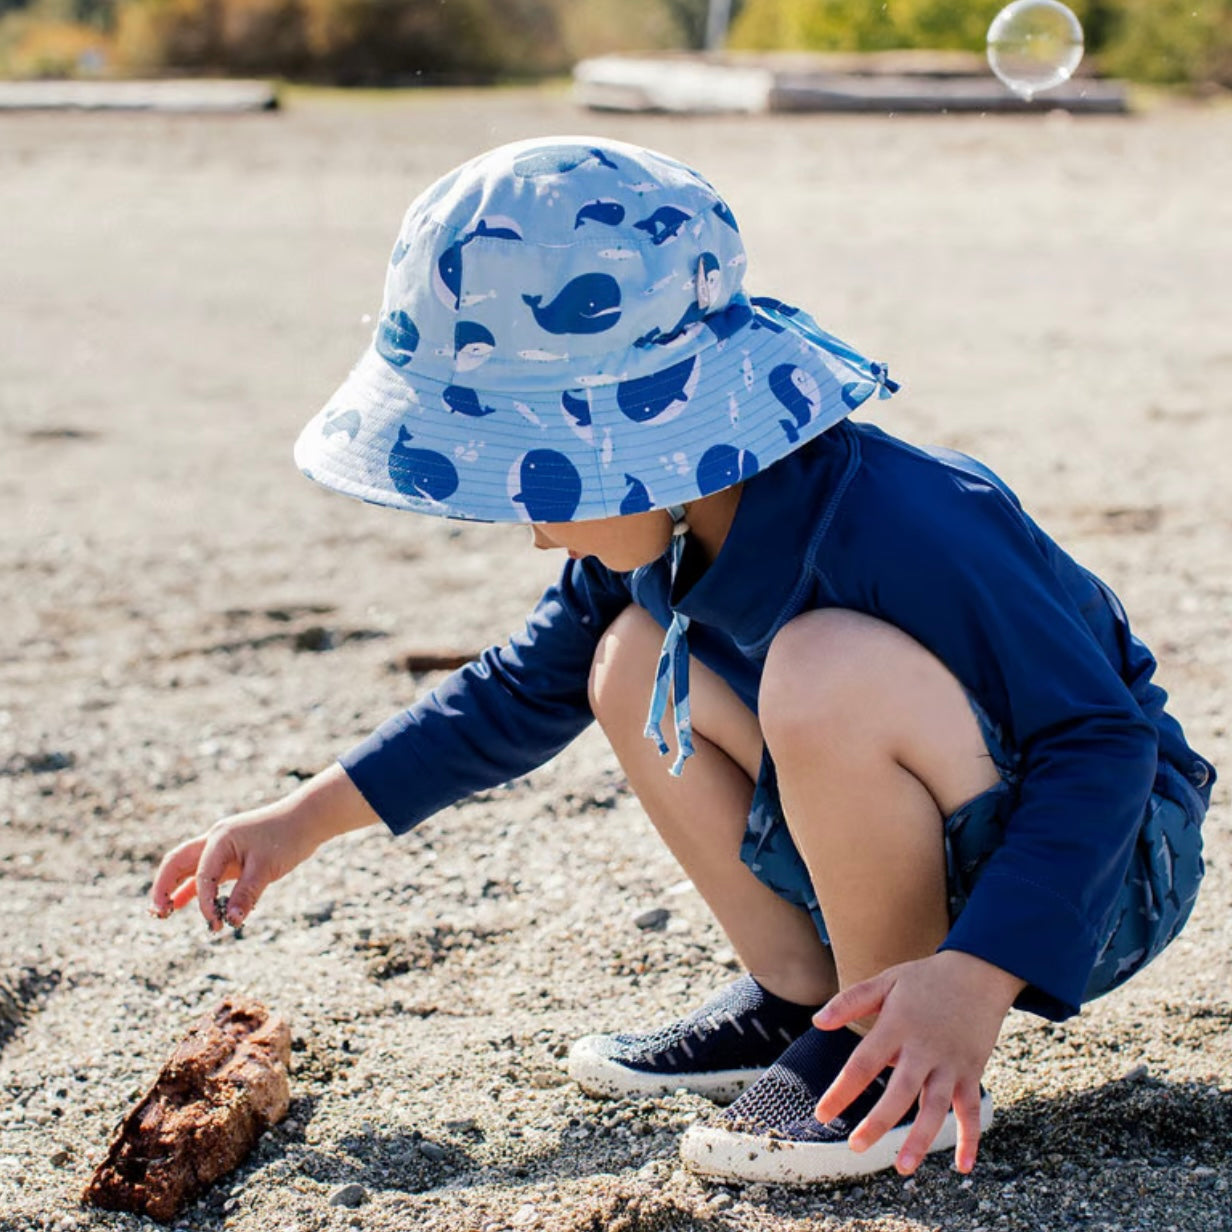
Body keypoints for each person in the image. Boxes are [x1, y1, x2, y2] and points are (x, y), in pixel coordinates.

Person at [149, 136, 1214, 1185]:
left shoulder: (909, 519)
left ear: (641, 444)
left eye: (543, 484)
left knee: (818, 663)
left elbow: (1100, 744)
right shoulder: (659, 526)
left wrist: (973, 978)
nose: (535, 530)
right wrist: (301, 817)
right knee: (621, 658)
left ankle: (887, 1047)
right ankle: (804, 996)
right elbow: (514, 692)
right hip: (941, 826)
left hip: (1097, 867)